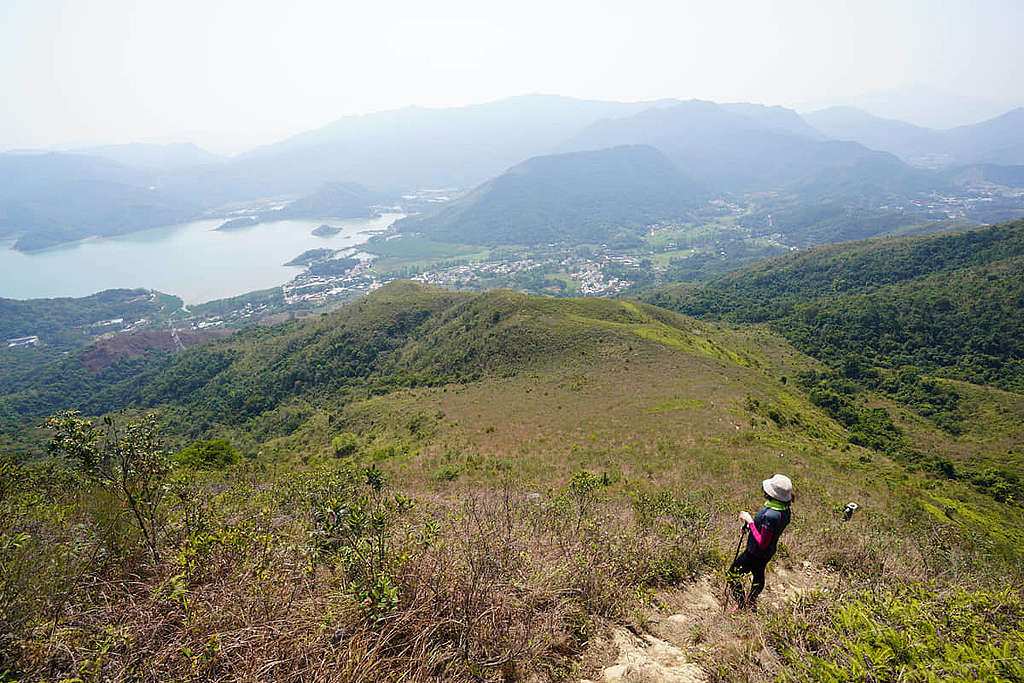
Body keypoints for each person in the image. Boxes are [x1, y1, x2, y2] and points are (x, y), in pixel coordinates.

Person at [727, 473, 794, 611]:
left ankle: (741, 604)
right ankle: (751, 600)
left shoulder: (770, 515)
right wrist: (752, 526)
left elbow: (762, 542)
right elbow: (768, 533)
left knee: (732, 576)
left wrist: (750, 522)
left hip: (754, 553)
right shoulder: (784, 510)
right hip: (768, 552)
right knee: (758, 574)